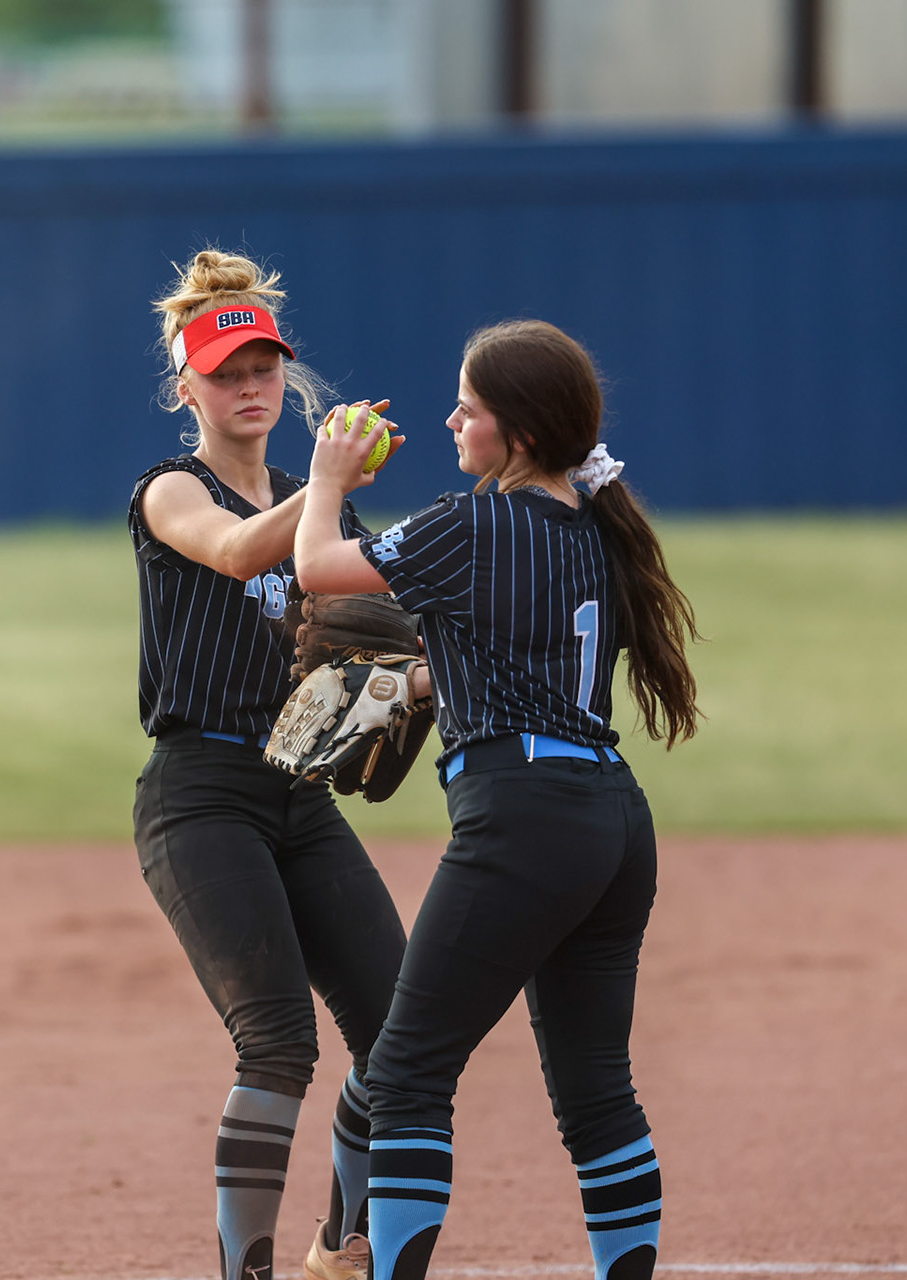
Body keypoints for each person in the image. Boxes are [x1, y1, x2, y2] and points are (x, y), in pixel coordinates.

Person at [290, 319, 702, 1280]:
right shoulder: (594, 533)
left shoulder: (471, 521)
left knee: (403, 1080)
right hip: (612, 822)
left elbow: (315, 569)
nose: (451, 421)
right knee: (598, 1093)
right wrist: (429, 683)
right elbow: (521, 657)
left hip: (524, 817)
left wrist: (328, 479)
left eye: (467, 408)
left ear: (516, 433)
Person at [130, 248, 410, 1280]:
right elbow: (240, 552)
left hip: (296, 788)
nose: (249, 386)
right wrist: (331, 486)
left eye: (264, 367)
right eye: (225, 371)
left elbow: (392, 618)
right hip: (198, 798)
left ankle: (342, 1248)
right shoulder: (170, 489)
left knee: (402, 1028)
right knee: (280, 1039)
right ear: (186, 387)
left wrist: (421, 672)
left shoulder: (312, 495)